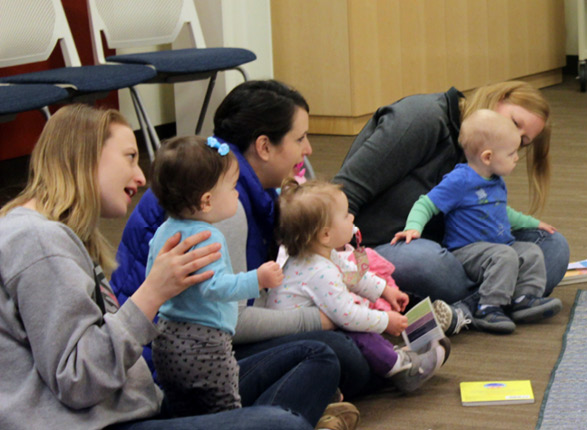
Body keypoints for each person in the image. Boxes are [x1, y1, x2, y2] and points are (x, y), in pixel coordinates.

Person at [0, 104, 340, 429]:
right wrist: (153, 293)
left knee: (317, 356)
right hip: (106, 422)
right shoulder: (38, 242)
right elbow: (79, 380)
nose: (141, 176)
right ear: (86, 157)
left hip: (142, 404)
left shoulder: (57, 235)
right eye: (130, 157)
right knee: (282, 424)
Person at [113, 80, 379, 401]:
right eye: (300, 138)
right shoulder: (225, 207)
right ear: (264, 146)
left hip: (182, 341)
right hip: (177, 361)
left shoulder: (224, 179)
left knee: (343, 334)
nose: (308, 149)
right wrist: (318, 318)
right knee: (338, 354)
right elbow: (232, 317)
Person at [334, 81, 570, 321]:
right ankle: (492, 302)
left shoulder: (486, 155)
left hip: (459, 248)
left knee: (553, 246)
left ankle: (477, 306)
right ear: (499, 98)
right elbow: (344, 191)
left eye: (524, 141)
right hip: (389, 245)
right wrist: (345, 264)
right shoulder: (422, 117)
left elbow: (490, 210)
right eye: (515, 123)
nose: (516, 141)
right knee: (428, 262)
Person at [264, 180, 451, 392]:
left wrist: (385, 290)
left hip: (305, 335)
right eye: (345, 215)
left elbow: (353, 276)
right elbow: (348, 315)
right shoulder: (318, 271)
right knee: (359, 331)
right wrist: (385, 321)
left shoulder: (323, 256)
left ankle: (393, 359)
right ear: (325, 234)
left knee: (361, 326)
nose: (352, 218)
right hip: (298, 343)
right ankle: (402, 369)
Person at [145, 136, 285, 416]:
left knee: (182, 413)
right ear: (207, 201)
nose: (236, 194)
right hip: (205, 343)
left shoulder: (163, 232)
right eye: (233, 188)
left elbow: (153, 280)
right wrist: (256, 279)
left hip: (166, 340)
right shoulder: (209, 237)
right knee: (226, 414)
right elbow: (215, 287)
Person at [392, 110, 562, 334]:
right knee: (506, 256)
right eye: (511, 153)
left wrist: (533, 223)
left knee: (530, 251)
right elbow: (426, 204)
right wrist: (413, 227)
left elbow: (502, 212)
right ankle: (487, 308)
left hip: (497, 248)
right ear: (487, 157)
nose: (517, 157)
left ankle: (522, 299)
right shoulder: (460, 180)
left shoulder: (495, 180)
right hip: (467, 251)